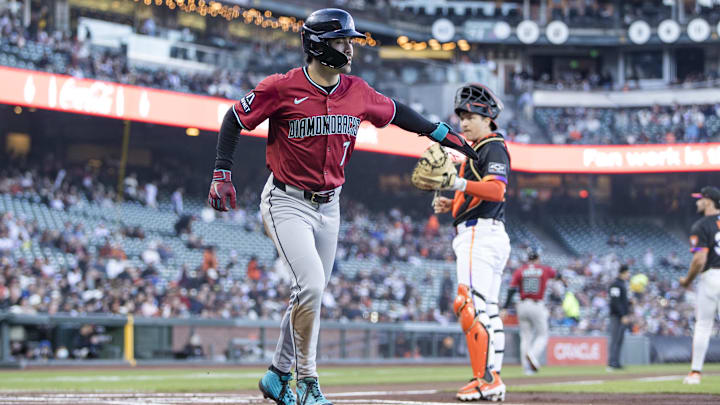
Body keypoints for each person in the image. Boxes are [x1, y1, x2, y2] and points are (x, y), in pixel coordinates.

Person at [206, 8, 478, 405]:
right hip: (287, 201)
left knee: (310, 291)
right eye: (341, 40)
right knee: (312, 286)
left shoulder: (357, 90)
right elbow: (233, 118)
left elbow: (397, 111)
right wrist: (221, 172)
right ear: (318, 45)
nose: (350, 47)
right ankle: (307, 382)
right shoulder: (281, 87)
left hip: (330, 205)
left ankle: (276, 375)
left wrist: (438, 131)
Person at [432, 83, 510, 402]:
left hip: (480, 235)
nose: (464, 122)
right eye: (461, 116)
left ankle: (484, 379)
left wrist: (458, 182)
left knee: (468, 304)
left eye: (471, 115)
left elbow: (496, 191)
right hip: (486, 232)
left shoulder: (491, 146)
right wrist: (452, 201)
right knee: (488, 309)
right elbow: (479, 196)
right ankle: (494, 377)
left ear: (488, 117)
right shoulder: (481, 148)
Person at [680, 186, 720, 385]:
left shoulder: (701, 225)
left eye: (700, 199)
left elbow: (699, 260)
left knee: (703, 326)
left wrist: (687, 281)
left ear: (708, 201)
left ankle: (695, 373)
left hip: (712, 277)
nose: (697, 202)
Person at [503, 247, 559, 375]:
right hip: (536, 304)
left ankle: (526, 368)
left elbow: (511, 289)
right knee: (542, 334)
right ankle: (532, 355)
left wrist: (505, 307)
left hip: (522, 305)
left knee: (525, 337)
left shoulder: (520, 270)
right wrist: (562, 280)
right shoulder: (544, 269)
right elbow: (557, 275)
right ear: (538, 258)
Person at [607, 264, 631, 371]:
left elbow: (621, 301)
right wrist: (622, 315)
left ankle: (616, 362)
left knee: (619, 339)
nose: (629, 275)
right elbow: (615, 302)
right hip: (616, 316)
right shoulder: (616, 285)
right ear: (623, 272)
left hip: (622, 316)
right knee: (615, 339)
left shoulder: (622, 284)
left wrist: (629, 302)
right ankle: (612, 363)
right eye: (628, 273)